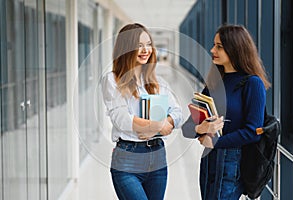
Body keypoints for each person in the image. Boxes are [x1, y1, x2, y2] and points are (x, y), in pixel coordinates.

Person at [182, 24, 271, 200]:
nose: (212, 49)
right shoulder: (214, 83)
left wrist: (216, 142)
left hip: (233, 161)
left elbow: (253, 132)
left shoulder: (252, 84)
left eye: (219, 46)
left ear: (235, 48)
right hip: (209, 161)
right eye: (214, 45)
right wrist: (201, 129)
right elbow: (187, 128)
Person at [101, 23, 183, 200]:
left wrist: (166, 122)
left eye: (148, 44)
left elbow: (177, 112)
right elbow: (122, 119)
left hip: (158, 158)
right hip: (127, 160)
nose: (145, 49)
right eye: (139, 45)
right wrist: (158, 126)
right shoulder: (112, 80)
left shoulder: (157, 82)